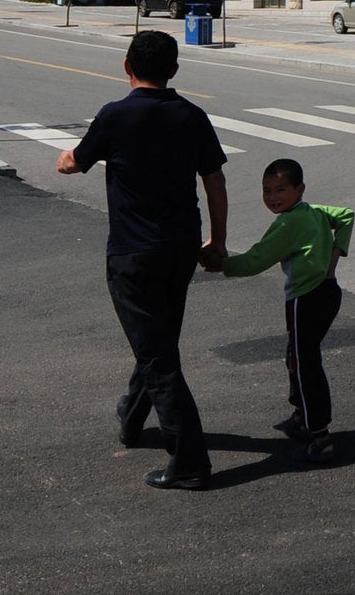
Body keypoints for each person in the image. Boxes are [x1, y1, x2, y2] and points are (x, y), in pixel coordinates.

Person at [57, 30, 227, 490]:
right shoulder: (192, 115)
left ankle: (190, 460)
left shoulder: (115, 116)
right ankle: (132, 418)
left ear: (126, 66)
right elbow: (215, 182)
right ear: (173, 70)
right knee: (157, 341)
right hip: (181, 249)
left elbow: (73, 164)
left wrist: (65, 158)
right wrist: (218, 241)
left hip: (134, 253)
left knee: (157, 356)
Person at [218, 158, 353, 463]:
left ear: (300, 189)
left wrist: (221, 264)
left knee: (305, 363)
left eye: (281, 189)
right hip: (328, 292)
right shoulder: (314, 211)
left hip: (306, 299)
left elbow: (255, 260)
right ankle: (301, 415)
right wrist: (334, 258)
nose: (273, 197)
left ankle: (319, 435)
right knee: (298, 354)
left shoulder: (288, 223)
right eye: (267, 191)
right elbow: (347, 215)